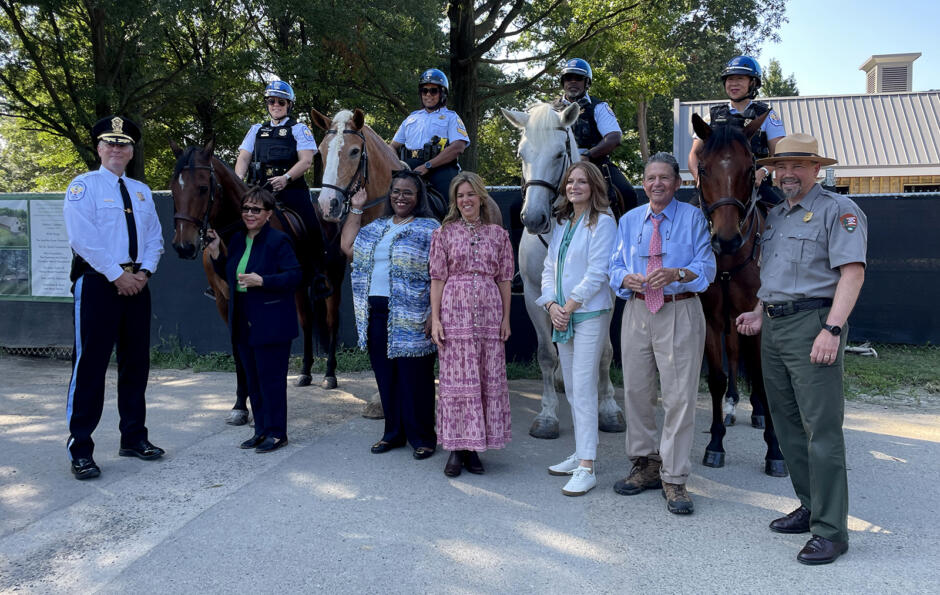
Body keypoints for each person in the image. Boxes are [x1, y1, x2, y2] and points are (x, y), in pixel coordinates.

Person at [735, 134, 867, 565]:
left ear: (815, 169)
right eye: (780, 166)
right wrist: (757, 311)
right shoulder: (775, 216)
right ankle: (811, 505)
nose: (787, 174)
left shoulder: (839, 211)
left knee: (821, 430)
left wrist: (832, 328)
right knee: (787, 426)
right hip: (773, 327)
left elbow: (851, 274)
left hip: (814, 325)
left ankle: (832, 532)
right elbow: (772, 276)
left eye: (797, 166)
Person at [608, 152, 716, 514]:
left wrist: (677, 273)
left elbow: (706, 267)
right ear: (643, 182)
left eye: (664, 178)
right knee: (636, 392)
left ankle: (674, 477)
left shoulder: (694, 218)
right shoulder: (628, 221)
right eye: (651, 178)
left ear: (678, 183)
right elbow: (615, 266)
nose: (657, 184)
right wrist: (624, 277)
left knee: (679, 397)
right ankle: (646, 464)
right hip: (638, 309)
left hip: (680, 309)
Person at [63, 115, 165, 480]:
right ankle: (81, 448)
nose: (117, 149)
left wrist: (143, 273)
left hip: (137, 283)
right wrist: (117, 275)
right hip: (98, 284)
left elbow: (155, 238)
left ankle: (134, 437)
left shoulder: (141, 190)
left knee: (136, 364)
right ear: (99, 148)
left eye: (124, 144)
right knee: (89, 366)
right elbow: (82, 239)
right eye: (110, 142)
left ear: (131, 150)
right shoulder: (83, 186)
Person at [340, 170, 440, 460]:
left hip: (413, 314)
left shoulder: (430, 228)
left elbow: (439, 273)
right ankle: (393, 433)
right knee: (386, 377)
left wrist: (435, 312)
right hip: (376, 313)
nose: (401, 197)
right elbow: (348, 248)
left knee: (415, 379)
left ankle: (423, 436)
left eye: (408, 192)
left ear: (418, 197)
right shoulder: (376, 227)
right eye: (396, 191)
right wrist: (356, 208)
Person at [535, 162, 617, 496]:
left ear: (594, 186)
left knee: (583, 388)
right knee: (571, 387)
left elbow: (598, 272)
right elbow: (548, 269)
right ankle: (582, 452)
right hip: (563, 316)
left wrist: (568, 306)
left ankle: (587, 467)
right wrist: (551, 305)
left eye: (582, 181)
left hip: (587, 316)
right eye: (570, 182)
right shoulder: (563, 222)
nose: (574, 186)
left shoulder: (605, 222)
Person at [429, 172, 513, 477]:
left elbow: (504, 279)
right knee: (456, 382)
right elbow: (437, 278)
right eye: (460, 196)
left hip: (490, 313)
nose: (465, 200)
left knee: (485, 379)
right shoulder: (444, 233)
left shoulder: (498, 234)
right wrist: (436, 319)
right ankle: (455, 449)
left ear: (481, 197)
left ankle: (476, 448)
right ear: (455, 201)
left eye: (470, 194)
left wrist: (506, 318)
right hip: (454, 310)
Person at [207, 188, 302, 453]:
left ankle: (277, 433)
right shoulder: (237, 240)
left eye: (256, 210)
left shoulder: (278, 241)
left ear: (268, 214)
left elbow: (294, 276)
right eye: (246, 209)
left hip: (271, 320)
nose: (249, 214)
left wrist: (263, 281)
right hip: (242, 317)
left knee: (271, 380)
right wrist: (217, 253)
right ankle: (261, 431)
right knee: (253, 379)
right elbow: (228, 271)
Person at [234, 80, 329, 299]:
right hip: (258, 189)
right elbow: (244, 158)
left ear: (289, 105)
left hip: (290, 189)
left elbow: (306, 161)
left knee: (312, 226)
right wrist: (239, 179)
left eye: (281, 102)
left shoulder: (299, 129)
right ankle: (226, 273)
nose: (276, 105)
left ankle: (317, 275)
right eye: (271, 101)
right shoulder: (256, 130)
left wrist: (286, 178)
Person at [688, 55, 786, 207]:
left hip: (757, 186)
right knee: (688, 219)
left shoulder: (767, 115)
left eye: (740, 78)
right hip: (715, 188)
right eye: (730, 79)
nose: (733, 84)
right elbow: (694, 154)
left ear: (752, 83)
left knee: (784, 216)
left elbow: (779, 156)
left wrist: (763, 172)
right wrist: (699, 179)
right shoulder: (711, 116)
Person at [552, 58, 637, 215]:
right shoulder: (550, 110)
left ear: (587, 83)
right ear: (563, 82)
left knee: (628, 193)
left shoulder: (599, 107)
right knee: (519, 205)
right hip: (556, 167)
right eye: (568, 78)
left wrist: (588, 155)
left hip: (595, 165)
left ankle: (627, 237)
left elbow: (614, 137)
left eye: (578, 78)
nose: (573, 82)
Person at [390, 69, 470, 203]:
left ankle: (452, 223)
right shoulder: (411, 118)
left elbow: (458, 147)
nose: (428, 95)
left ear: (442, 94)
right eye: (424, 90)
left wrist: (428, 166)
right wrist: (396, 164)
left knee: (451, 200)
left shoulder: (451, 117)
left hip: (440, 168)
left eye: (433, 91)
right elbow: (392, 146)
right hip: (409, 168)